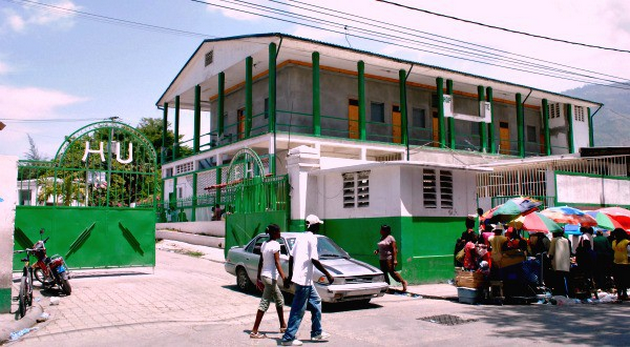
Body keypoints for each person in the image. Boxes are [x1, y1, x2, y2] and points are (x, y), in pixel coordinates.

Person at [281, 214, 334, 346]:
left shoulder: (300, 237)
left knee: (316, 301)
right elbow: (314, 260)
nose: (319, 227)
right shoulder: (312, 239)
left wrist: (291, 275)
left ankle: (317, 332)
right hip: (303, 279)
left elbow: (291, 257)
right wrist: (328, 274)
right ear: (314, 225)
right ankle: (288, 338)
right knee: (298, 309)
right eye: (318, 225)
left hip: (304, 280)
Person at [250, 224, 287, 339]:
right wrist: (284, 276)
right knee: (264, 303)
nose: (280, 234)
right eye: (278, 232)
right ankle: (254, 331)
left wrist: (258, 277)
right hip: (270, 278)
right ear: (274, 233)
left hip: (265, 276)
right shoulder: (275, 244)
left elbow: (261, 261)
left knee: (279, 299)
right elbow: (277, 262)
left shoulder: (264, 244)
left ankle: (283, 325)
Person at [374, 225, 408, 292]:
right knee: (384, 273)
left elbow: (394, 249)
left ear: (385, 231)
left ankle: (403, 282)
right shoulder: (382, 237)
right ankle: (387, 287)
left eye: (381, 230)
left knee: (392, 272)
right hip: (382, 258)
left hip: (388, 258)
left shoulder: (390, 238)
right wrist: (377, 250)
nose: (380, 231)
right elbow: (382, 247)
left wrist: (395, 259)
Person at [549, 230, 571, 296]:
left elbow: (551, 253)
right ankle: (565, 293)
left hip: (557, 263)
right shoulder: (566, 240)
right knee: (564, 278)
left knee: (558, 280)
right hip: (566, 264)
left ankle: (558, 293)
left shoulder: (554, 240)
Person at [611, 228, 630, 301]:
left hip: (625, 263)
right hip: (616, 263)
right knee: (618, 279)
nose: (614, 235)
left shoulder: (627, 242)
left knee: (624, 279)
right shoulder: (614, 242)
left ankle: (624, 294)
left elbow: (629, 252)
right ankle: (619, 294)